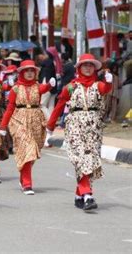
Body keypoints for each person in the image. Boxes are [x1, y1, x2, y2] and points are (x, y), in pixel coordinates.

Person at [47, 53, 112, 212]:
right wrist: (49, 128)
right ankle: (88, 195)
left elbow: (106, 89)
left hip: (93, 128)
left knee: (89, 160)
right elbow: (60, 105)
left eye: (91, 65)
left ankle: (79, 194)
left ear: (94, 68)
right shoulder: (71, 86)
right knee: (81, 158)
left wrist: (108, 81)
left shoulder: (98, 85)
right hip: (75, 125)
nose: (88, 68)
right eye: (85, 65)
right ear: (79, 68)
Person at [0, 60, 56, 195]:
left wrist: (50, 84)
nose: (30, 73)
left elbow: (44, 89)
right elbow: (10, 108)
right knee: (28, 148)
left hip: (36, 121)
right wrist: (3, 125)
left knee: (32, 153)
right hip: (19, 120)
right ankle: (27, 183)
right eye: (27, 71)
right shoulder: (15, 88)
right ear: (22, 73)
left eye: (32, 71)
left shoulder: (37, 86)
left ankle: (23, 176)